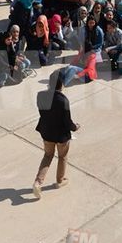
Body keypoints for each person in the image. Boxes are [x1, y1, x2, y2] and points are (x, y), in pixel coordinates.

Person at [33, 70, 80, 199]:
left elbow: (43, 113)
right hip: (61, 135)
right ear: (61, 84)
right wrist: (75, 127)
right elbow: (67, 122)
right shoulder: (63, 100)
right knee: (62, 157)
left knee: (47, 156)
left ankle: (38, 182)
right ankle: (60, 180)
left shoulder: (40, 95)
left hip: (47, 132)